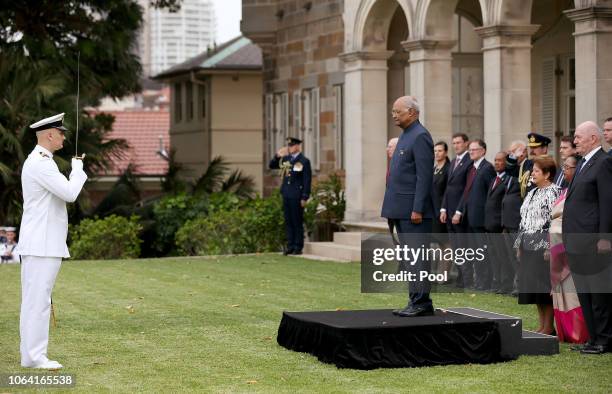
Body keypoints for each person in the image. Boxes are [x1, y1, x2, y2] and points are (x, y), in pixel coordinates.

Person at [15, 113, 87, 370]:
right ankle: (35, 357)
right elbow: (69, 193)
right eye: (61, 133)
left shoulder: (42, 161)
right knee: (38, 301)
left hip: (42, 242)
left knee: (36, 300)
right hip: (41, 244)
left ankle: (31, 356)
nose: (64, 137)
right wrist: (78, 169)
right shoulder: (41, 163)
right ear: (49, 135)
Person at [382, 95, 434, 317]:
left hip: (414, 212)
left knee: (417, 257)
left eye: (398, 111)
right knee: (409, 258)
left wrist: (418, 208)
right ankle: (415, 299)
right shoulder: (406, 135)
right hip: (401, 209)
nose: (394, 115)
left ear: (412, 112)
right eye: (393, 111)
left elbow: (424, 177)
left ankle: (421, 302)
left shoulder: (420, 136)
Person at [563, 121, 612, 354]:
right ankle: (593, 339)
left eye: (579, 137)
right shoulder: (583, 163)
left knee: (599, 293)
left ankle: (604, 339)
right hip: (576, 240)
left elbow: (607, 203)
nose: (575, 141)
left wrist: (605, 237)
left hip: (593, 241)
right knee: (584, 292)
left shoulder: (604, 163)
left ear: (594, 138)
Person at [515, 156, 560, 335]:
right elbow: (523, 219)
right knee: (532, 286)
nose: (532, 174)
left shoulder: (555, 192)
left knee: (543, 287)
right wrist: (519, 244)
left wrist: (550, 246)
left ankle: (549, 327)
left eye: (536, 171)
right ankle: (542, 324)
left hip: (543, 246)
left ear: (547, 174)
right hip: (527, 244)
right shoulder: (532, 192)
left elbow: (554, 222)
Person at [549, 154, 589, 343]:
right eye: (563, 167)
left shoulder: (580, 191)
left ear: (577, 169)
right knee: (560, 292)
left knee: (572, 292)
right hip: (556, 247)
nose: (563, 170)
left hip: (569, 247)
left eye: (567, 167)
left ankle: (577, 332)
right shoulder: (565, 190)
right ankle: (563, 331)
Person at [452, 139, 496, 290]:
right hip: (470, 218)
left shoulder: (487, 168)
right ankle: (479, 282)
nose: (471, 152)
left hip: (481, 219)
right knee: (475, 252)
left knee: (482, 252)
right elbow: (467, 193)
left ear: (483, 151)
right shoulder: (471, 169)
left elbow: (491, 195)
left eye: (474, 150)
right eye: (470, 150)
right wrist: (460, 211)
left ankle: (485, 282)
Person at [269, 137, 312, 255]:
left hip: (297, 195)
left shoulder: (303, 161)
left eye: (292, 145)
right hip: (287, 193)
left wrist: (305, 197)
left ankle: (298, 246)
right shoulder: (286, 159)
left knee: (296, 221)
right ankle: (290, 245)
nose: (290, 148)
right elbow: (272, 165)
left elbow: (306, 180)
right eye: (289, 146)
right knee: (288, 221)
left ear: (298, 146)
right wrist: (277, 156)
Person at [439, 133, 472, 287]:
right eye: (454, 143)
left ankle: (465, 278)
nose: (456, 145)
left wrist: (459, 211)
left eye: (459, 142)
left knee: (462, 246)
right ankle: (459, 276)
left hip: (460, 213)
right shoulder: (453, 162)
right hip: (449, 211)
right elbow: (448, 187)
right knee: (455, 246)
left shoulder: (469, 162)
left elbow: (467, 190)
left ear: (466, 144)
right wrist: (443, 208)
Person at [485, 152, 511, 293]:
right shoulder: (493, 179)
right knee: (493, 256)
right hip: (489, 225)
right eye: (495, 160)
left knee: (502, 256)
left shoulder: (507, 180)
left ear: (506, 163)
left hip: (499, 225)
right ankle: (497, 282)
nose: (497, 163)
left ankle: (505, 284)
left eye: (500, 160)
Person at [432, 141, 451, 279]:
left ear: (445, 152)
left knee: (445, 243)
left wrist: (443, 209)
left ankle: (444, 274)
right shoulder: (433, 168)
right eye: (435, 151)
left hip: (443, 211)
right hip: (432, 210)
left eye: (439, 151)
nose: (437, 153)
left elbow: (448, 192)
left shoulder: (448, 168)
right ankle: (439, 272)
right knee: (439, 243)